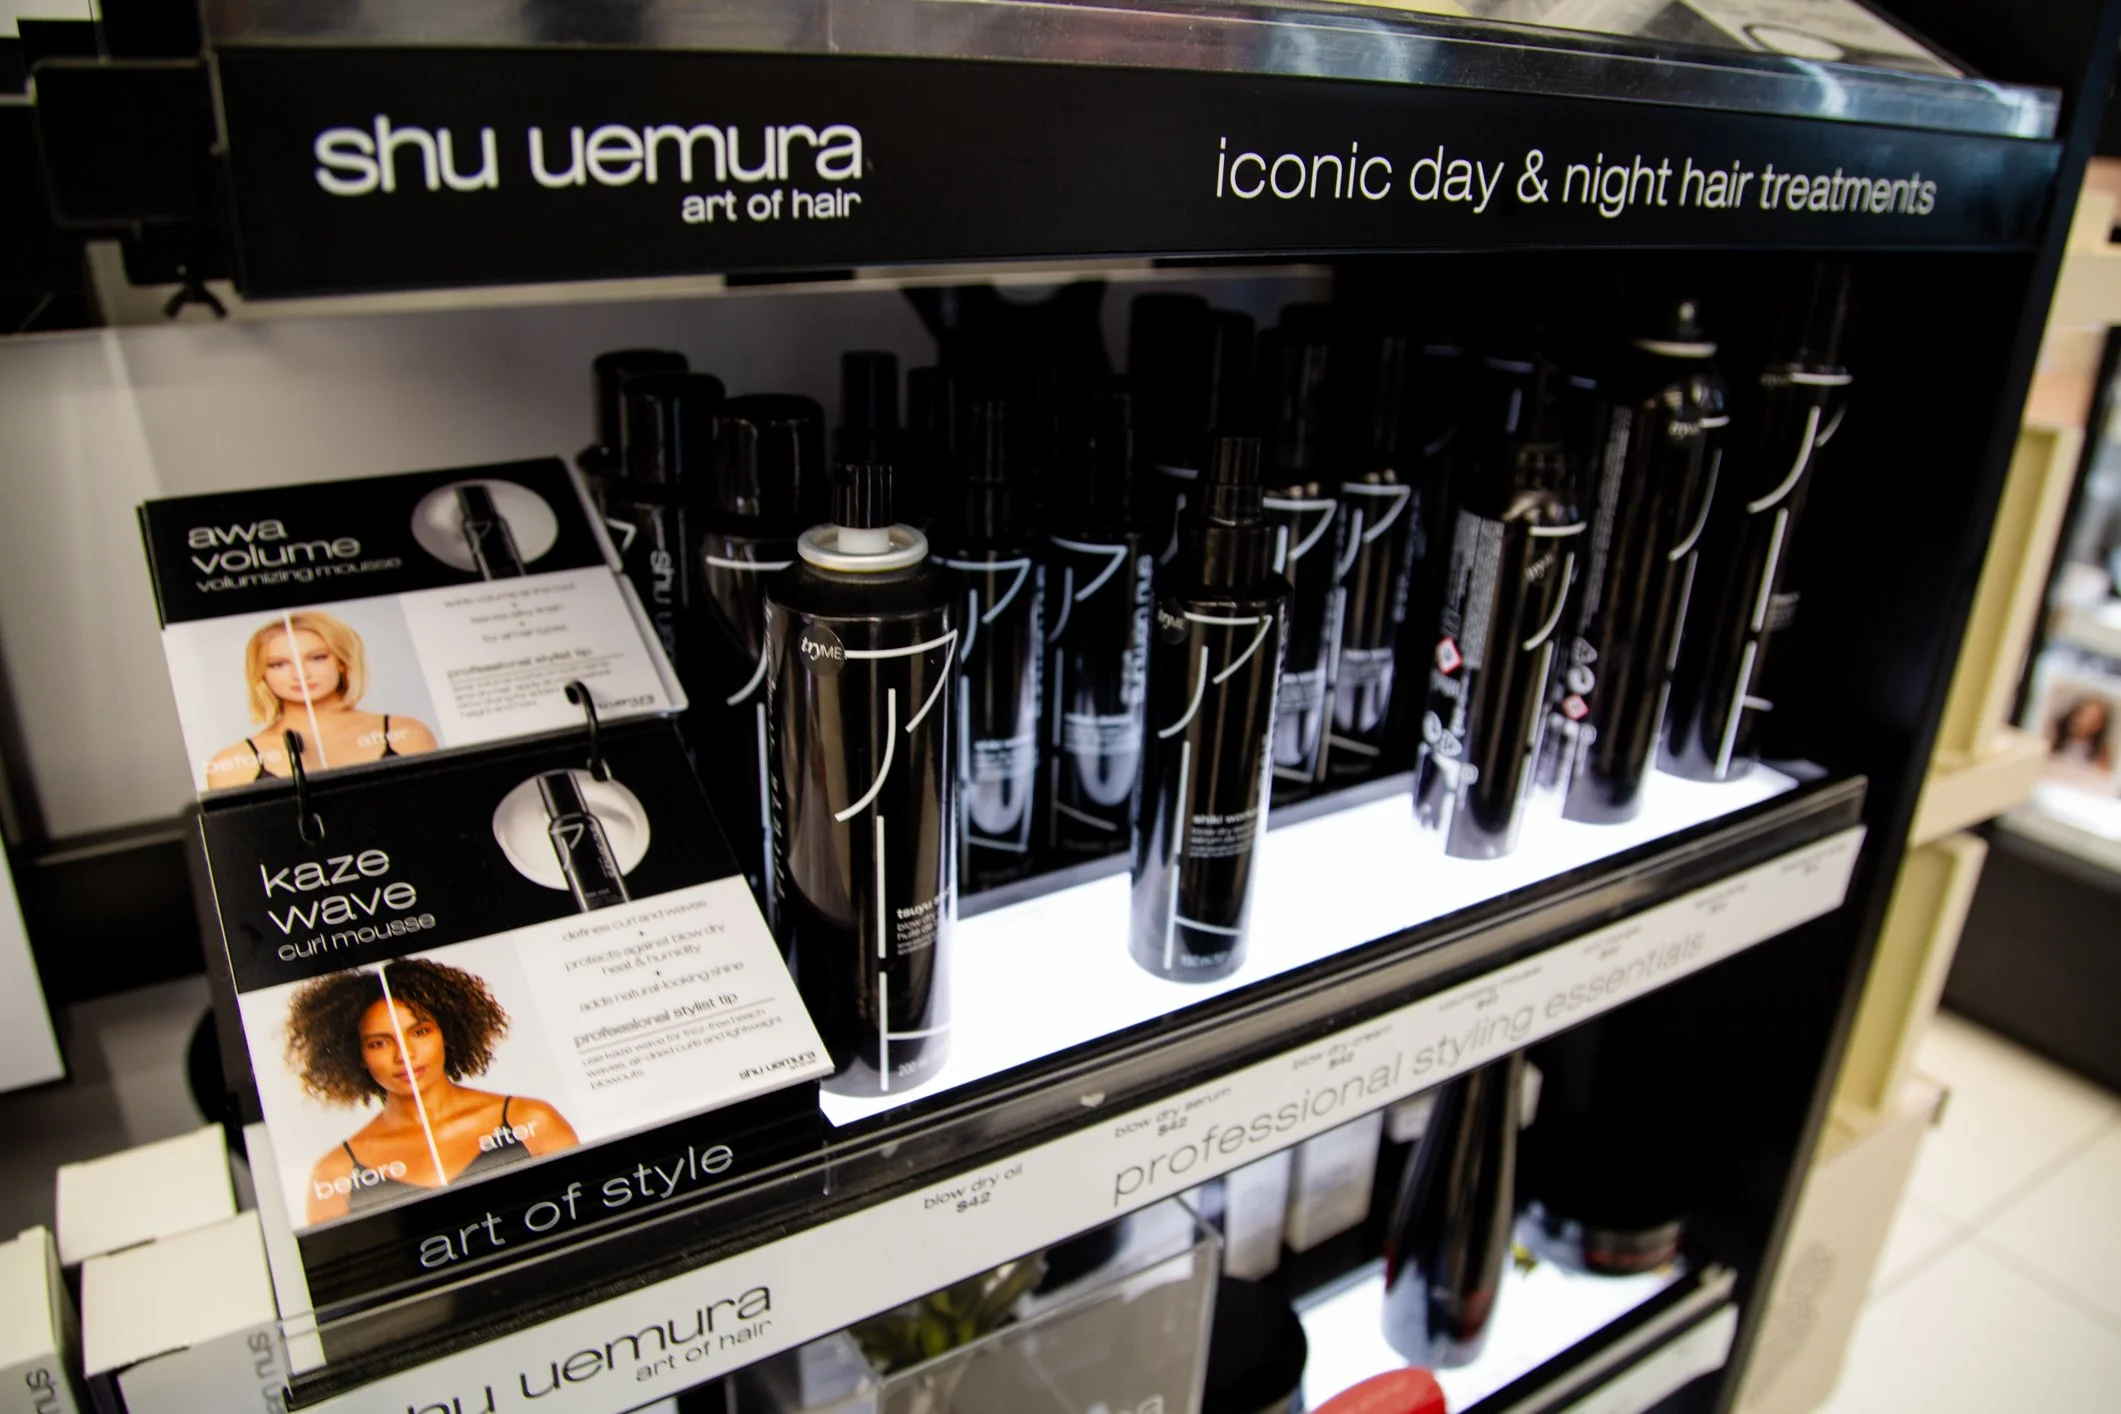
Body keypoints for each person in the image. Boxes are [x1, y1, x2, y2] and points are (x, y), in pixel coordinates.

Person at [288, 958, 579, 1223]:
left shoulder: (532, 1120)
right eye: (379, 1043)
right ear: (356, 1054)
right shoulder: (335, 1172)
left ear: (447, 1032)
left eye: (419, 1032)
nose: (404, 1055)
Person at [204, 610, 437, 790]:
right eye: (279, 664)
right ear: (261, 674)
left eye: (317, 658)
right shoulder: (233, 762)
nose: (300, 674)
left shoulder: (407, 732)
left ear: (342, 661)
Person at [2050, 694, 2114, 771]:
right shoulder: (2055, 732)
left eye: (2094, 720)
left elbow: (2104, 773)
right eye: (2085, 715)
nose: (2087, 723)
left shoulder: (2101, 749)